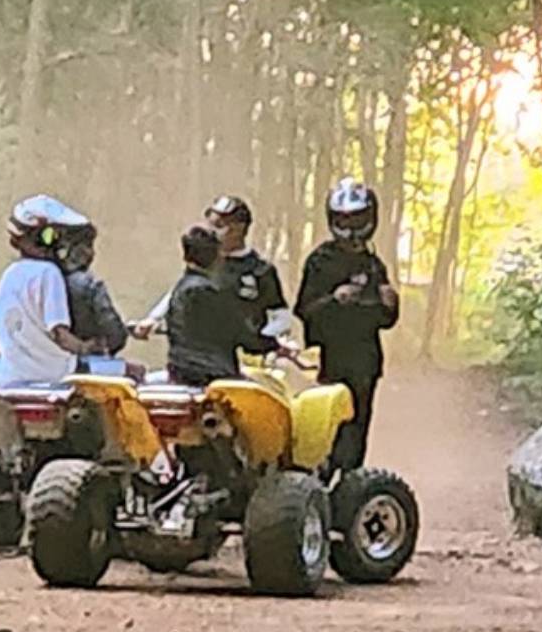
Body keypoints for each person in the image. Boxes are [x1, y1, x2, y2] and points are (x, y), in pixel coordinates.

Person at [293, 178, 399, 474]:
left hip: (365, 362)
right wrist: (334, 300)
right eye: (344, 219)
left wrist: (390, 304)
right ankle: (319, 481)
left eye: (357, 218)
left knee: (357, 430)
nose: (351, 226)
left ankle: (350, 487)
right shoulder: (321, 261)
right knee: (328, 429)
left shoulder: (373, 264)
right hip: (331, 359)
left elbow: (385, 321)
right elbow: (304, 309)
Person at [134, 195, 291, 341]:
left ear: (239, 228)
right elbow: (179, 292)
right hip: (202, 353)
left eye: (218, 226)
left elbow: (282, 317)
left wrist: (261, 340)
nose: (211, 232)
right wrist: (153, 318)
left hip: (243, 356)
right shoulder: (204, 263)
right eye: (210, 225)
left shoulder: (260, 270)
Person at [0, 195, 98, 387]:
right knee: (131, 370)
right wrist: (87, 347)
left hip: (12, 375)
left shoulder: (9, 275)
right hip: (51, 373)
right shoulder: (49, 273)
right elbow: (59, 335)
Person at [166, 222, 283, 386]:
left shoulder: (180, 289)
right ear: (216, 257)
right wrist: (275, 346)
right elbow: (241, 334)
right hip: (213, 375)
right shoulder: (210, 293)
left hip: (180, 372)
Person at [56, 222, 130, 360]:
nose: (92, 253)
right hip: (87, 360)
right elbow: (114, 333)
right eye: (88, 246)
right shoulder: (90, 285)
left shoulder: (41, 279)